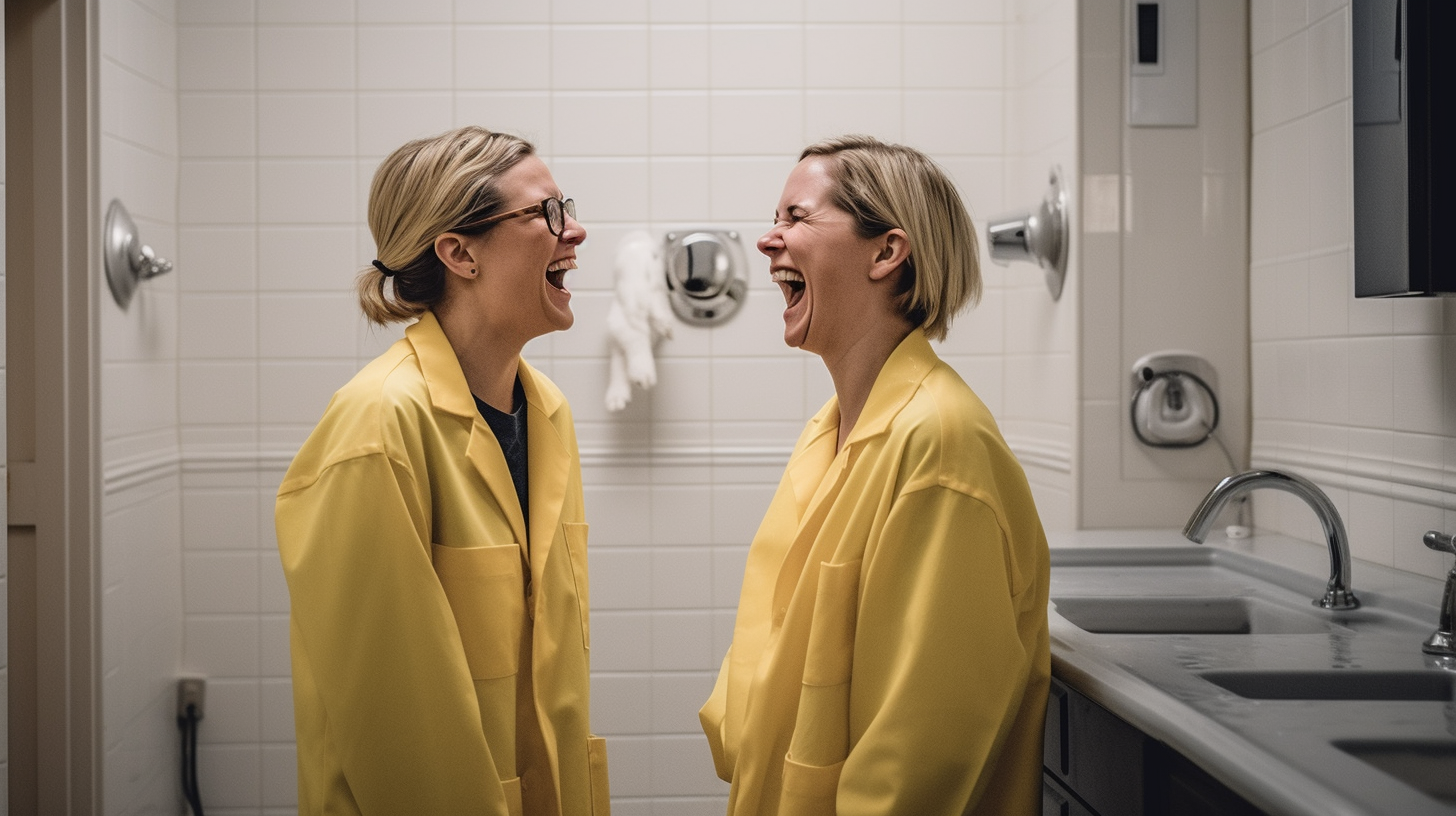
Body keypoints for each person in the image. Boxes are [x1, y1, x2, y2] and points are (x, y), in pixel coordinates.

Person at [699, 135, 1050, 815]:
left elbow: (920, 750)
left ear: (887, 253)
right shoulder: (828, 433)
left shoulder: (942, 445)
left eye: (795, 218)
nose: (768, 240)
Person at [276, 126, 609, 816]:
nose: (574, 230)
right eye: (545, 212)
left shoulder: (547, 413)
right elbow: (398, 720)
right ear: (459, 253)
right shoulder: (377, 427)